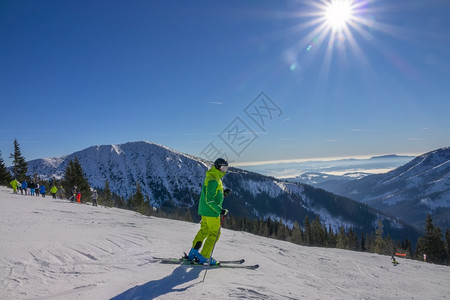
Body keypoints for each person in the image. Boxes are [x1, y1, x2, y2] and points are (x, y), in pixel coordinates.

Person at [187, 158, 230, 265]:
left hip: (205, 210)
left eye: (226, 168)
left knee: (204, 231)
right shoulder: (214, 180)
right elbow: (210, 200)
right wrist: (220, 210)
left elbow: (212, 195)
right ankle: (205, 257)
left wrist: (223, 194)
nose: (225, 170)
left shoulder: (214, 177)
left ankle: (193, 253)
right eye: (223, 168)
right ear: (218, 167)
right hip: (211, 212)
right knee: (214, 233)